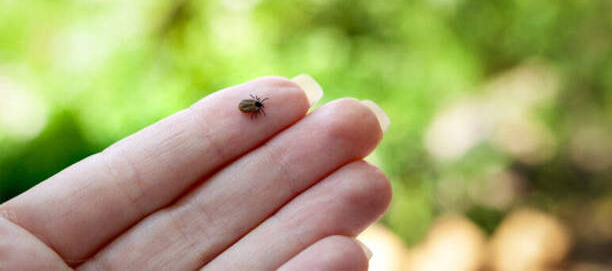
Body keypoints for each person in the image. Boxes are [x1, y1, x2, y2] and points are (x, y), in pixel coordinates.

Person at [0, 75, 391, 271]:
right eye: (257, 105)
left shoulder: (253, 107)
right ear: (255, 106)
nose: (256, 106)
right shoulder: (254, 107)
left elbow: (253, 106)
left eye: (257, 106)